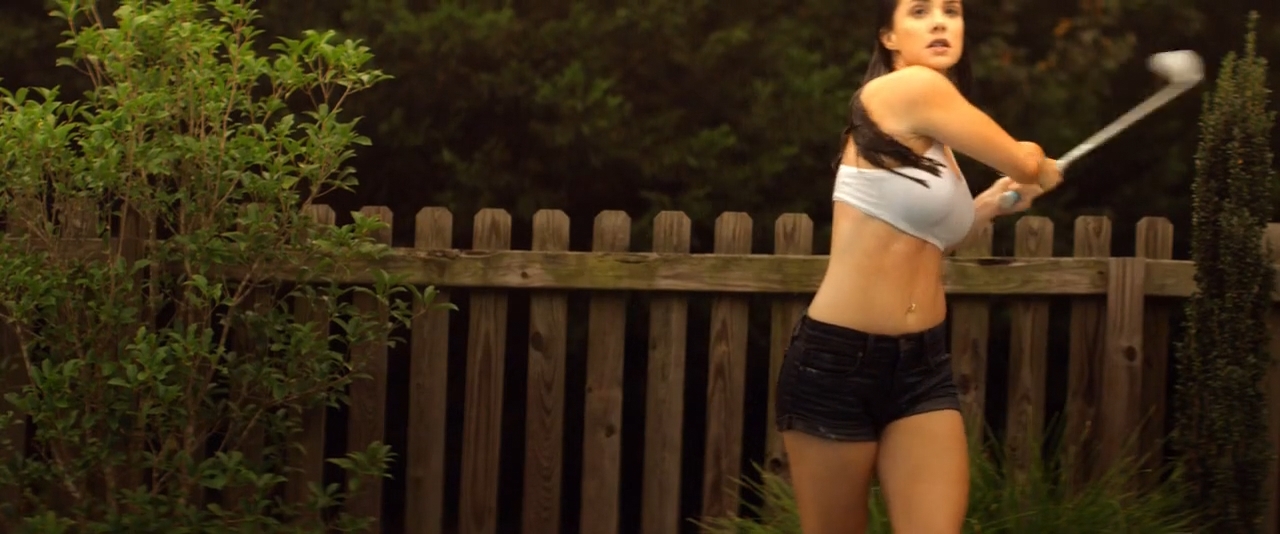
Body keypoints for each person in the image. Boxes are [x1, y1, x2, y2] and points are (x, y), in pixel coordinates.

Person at [772, 0, 1064, 532]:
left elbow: (930, 239)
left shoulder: (934, 140)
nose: (939, 21)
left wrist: (992, 204)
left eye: (951, 11)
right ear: (888, 36)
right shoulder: (911, 89)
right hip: (838, 362)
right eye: (920, 11)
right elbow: (1025, 160)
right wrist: (1035, 162)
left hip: (921, 366)